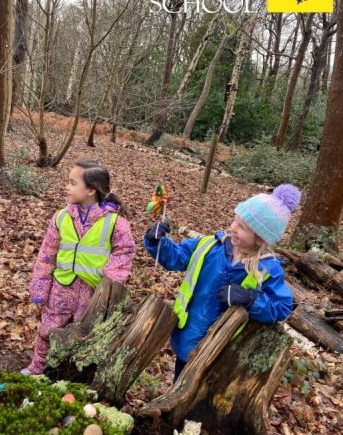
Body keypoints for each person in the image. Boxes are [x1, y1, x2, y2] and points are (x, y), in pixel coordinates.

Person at [144, 184, 298, 380]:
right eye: (235, 220)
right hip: (189, 335)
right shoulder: (210, 246)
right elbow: (177, 257)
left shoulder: (268, 269)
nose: (233, 228)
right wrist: (157, 242)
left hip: (223, 348)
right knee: (179, 383)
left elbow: (282, 306)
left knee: (203, 397)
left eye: (242, 227)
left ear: (260, 239)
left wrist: (250, 298)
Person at [23, 160, 135, 376]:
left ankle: (71, 376)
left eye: (73, 183)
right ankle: (38, 367)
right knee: (49, 328)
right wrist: (39, 289)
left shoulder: (115, 223)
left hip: (92, 292)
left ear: (91, 190)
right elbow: (46, 256)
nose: (67, 187)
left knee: (84, 334)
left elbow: (124, 253)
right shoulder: (62, 217)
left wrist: (109, 284)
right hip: (61, 287)